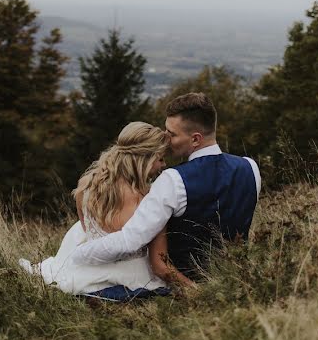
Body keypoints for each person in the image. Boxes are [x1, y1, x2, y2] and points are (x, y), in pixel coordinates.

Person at [68, 93, 261, 281]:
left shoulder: (172, 180)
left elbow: (129, 241)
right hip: (236, 277)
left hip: (186, 280)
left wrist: (75, 256)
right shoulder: (250, 167)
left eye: (172, 134)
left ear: (195, 139)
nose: (166, 140)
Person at [18, 122, 195, 301]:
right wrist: (194, 288)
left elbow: (87, 230)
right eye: (161, 159)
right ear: (145, 159)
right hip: (134, 276)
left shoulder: (86, 185)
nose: (163, 165)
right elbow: (160, 265)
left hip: (85, 268)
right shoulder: (149, 198)